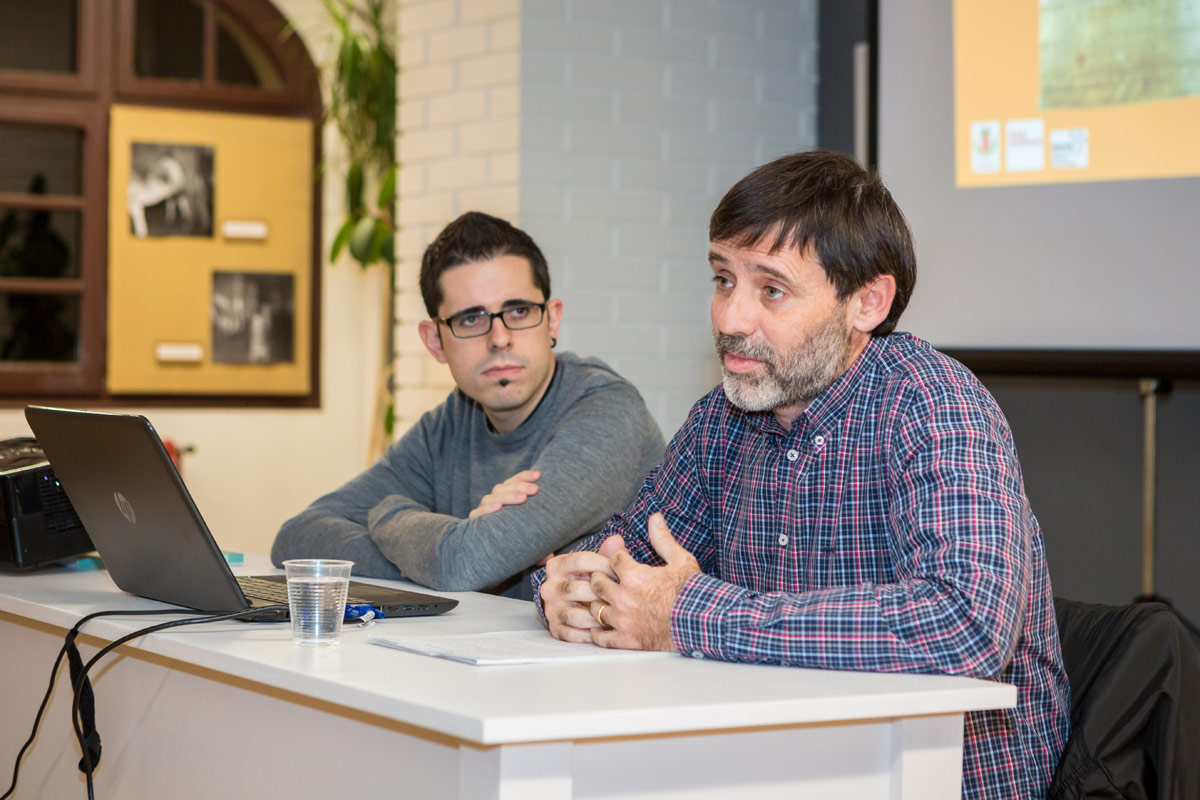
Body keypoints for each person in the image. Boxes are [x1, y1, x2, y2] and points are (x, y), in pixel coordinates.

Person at [535, 151, 1069, 798]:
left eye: (772, 290)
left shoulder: (933, 404)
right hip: (780, 765)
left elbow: (965, 624)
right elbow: (624, 557)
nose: (730, 319)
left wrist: (689, 614)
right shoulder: (722, 420)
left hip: (934, 778)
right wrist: (569, 588)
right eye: (723, 280)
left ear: (866, 303)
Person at [272, 211, 665, 597]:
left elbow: (462, 563)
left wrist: (390, 515)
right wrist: (447, 548)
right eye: (471, 319)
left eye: (519, 311)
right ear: (435, 342)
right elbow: (298, 538)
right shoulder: (451, 422)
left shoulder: (607, 410)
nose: (500, 338)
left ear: (552, 320)